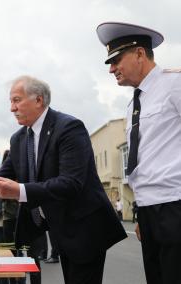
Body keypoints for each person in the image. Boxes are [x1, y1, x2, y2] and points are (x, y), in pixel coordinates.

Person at [0, 75, 127, 284]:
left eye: (16, 100)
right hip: (58, 226)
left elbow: (71, 183)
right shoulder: (19, 138)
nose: (12, 108)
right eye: (10, 102)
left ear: (38, 100)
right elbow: (3, 174)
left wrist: (20, 191)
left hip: (84, 227)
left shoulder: (69, 128)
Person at [96, 22, 181, 284]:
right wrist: (141, 210)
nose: (111, 69)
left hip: (175, 205)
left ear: (140, 54)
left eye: (116, 60)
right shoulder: (134, 103)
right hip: (148, 208)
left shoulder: (175, 84)